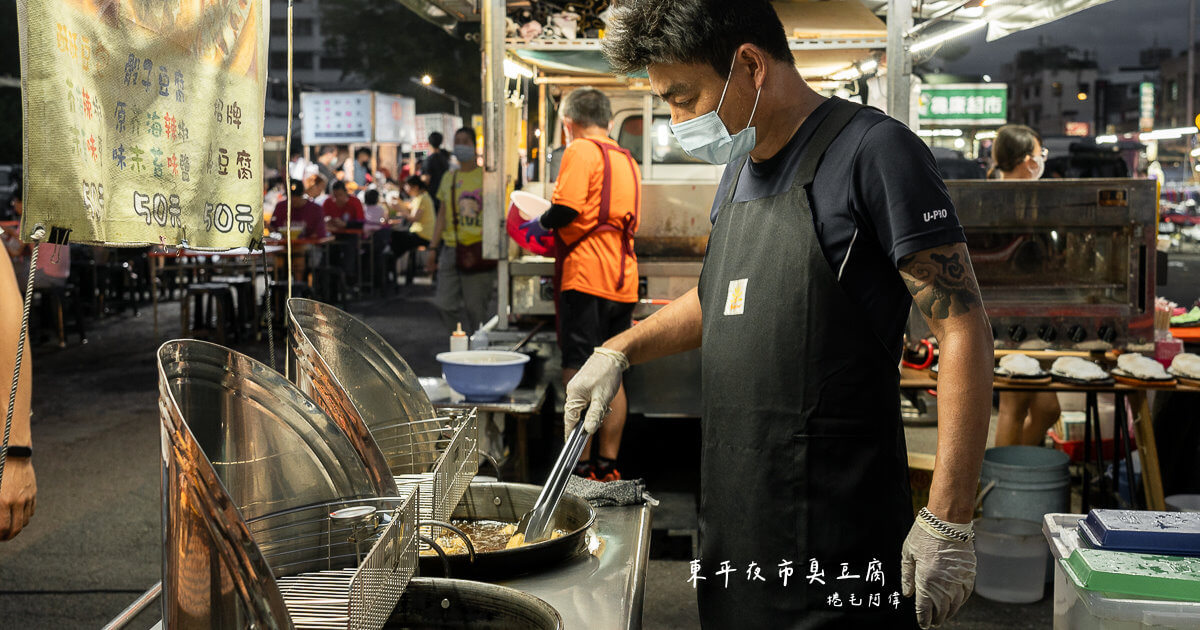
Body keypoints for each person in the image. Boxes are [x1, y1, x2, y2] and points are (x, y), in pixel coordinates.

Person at [567, 2, 995, 628]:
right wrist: (619, 350)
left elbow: (962, 328)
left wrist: (948, 517)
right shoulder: (739, 168)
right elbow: (722, 295)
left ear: (749, 64)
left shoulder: (875, 152)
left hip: (838, 530)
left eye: (684, 98)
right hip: (738, 528)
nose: (678, 119)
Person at [521, 87, 641, 482]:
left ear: (569, 124)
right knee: (612, 370)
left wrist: (536, 224)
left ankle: (577, 465)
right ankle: (607, 465)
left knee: (578, 371)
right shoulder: (627, 159)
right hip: (622, 277)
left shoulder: (579, 151)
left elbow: (567, 209)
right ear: (607, 119)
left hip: (587, 275)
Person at [989, 125, 1059, 448]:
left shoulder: (1031, 199)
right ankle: (1004, 490)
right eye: (1038, 154)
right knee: (1013, 406)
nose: (1041, 161)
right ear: (1023, 160)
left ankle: (1015, 476)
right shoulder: (996, 201)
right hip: (1008, 317)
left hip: (1034, 313)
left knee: (1047, 409)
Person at [426, 128, 496, 333]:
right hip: (451, 249)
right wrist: (432, 248)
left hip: (479, 249)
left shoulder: (487, 178)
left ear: (475, 146)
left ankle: (478, 353)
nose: (461, 145)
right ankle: (459, 344)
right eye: (457, 141)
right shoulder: (450, 177)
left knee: (476, 309)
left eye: (466, 141)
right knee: (444, 304)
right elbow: (441, 215)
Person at [391, 176, 436, 283]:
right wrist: (401, 205)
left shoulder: (423, 199)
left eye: (408, 187)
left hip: (423, 235)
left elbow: (414, 218)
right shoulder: (419, 198)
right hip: (419, 233)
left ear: (415, 187)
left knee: (395, 237)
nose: (406, 190)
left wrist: (401, 210)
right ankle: (395, 268)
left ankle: (392, 268)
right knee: (397, 237)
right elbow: (409, 208)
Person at [422, 132, 452, 208]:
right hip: (445, 194)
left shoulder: (429, 160)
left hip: (433, 196)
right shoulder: (444, 158)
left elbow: (426, 179)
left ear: (429, 143)